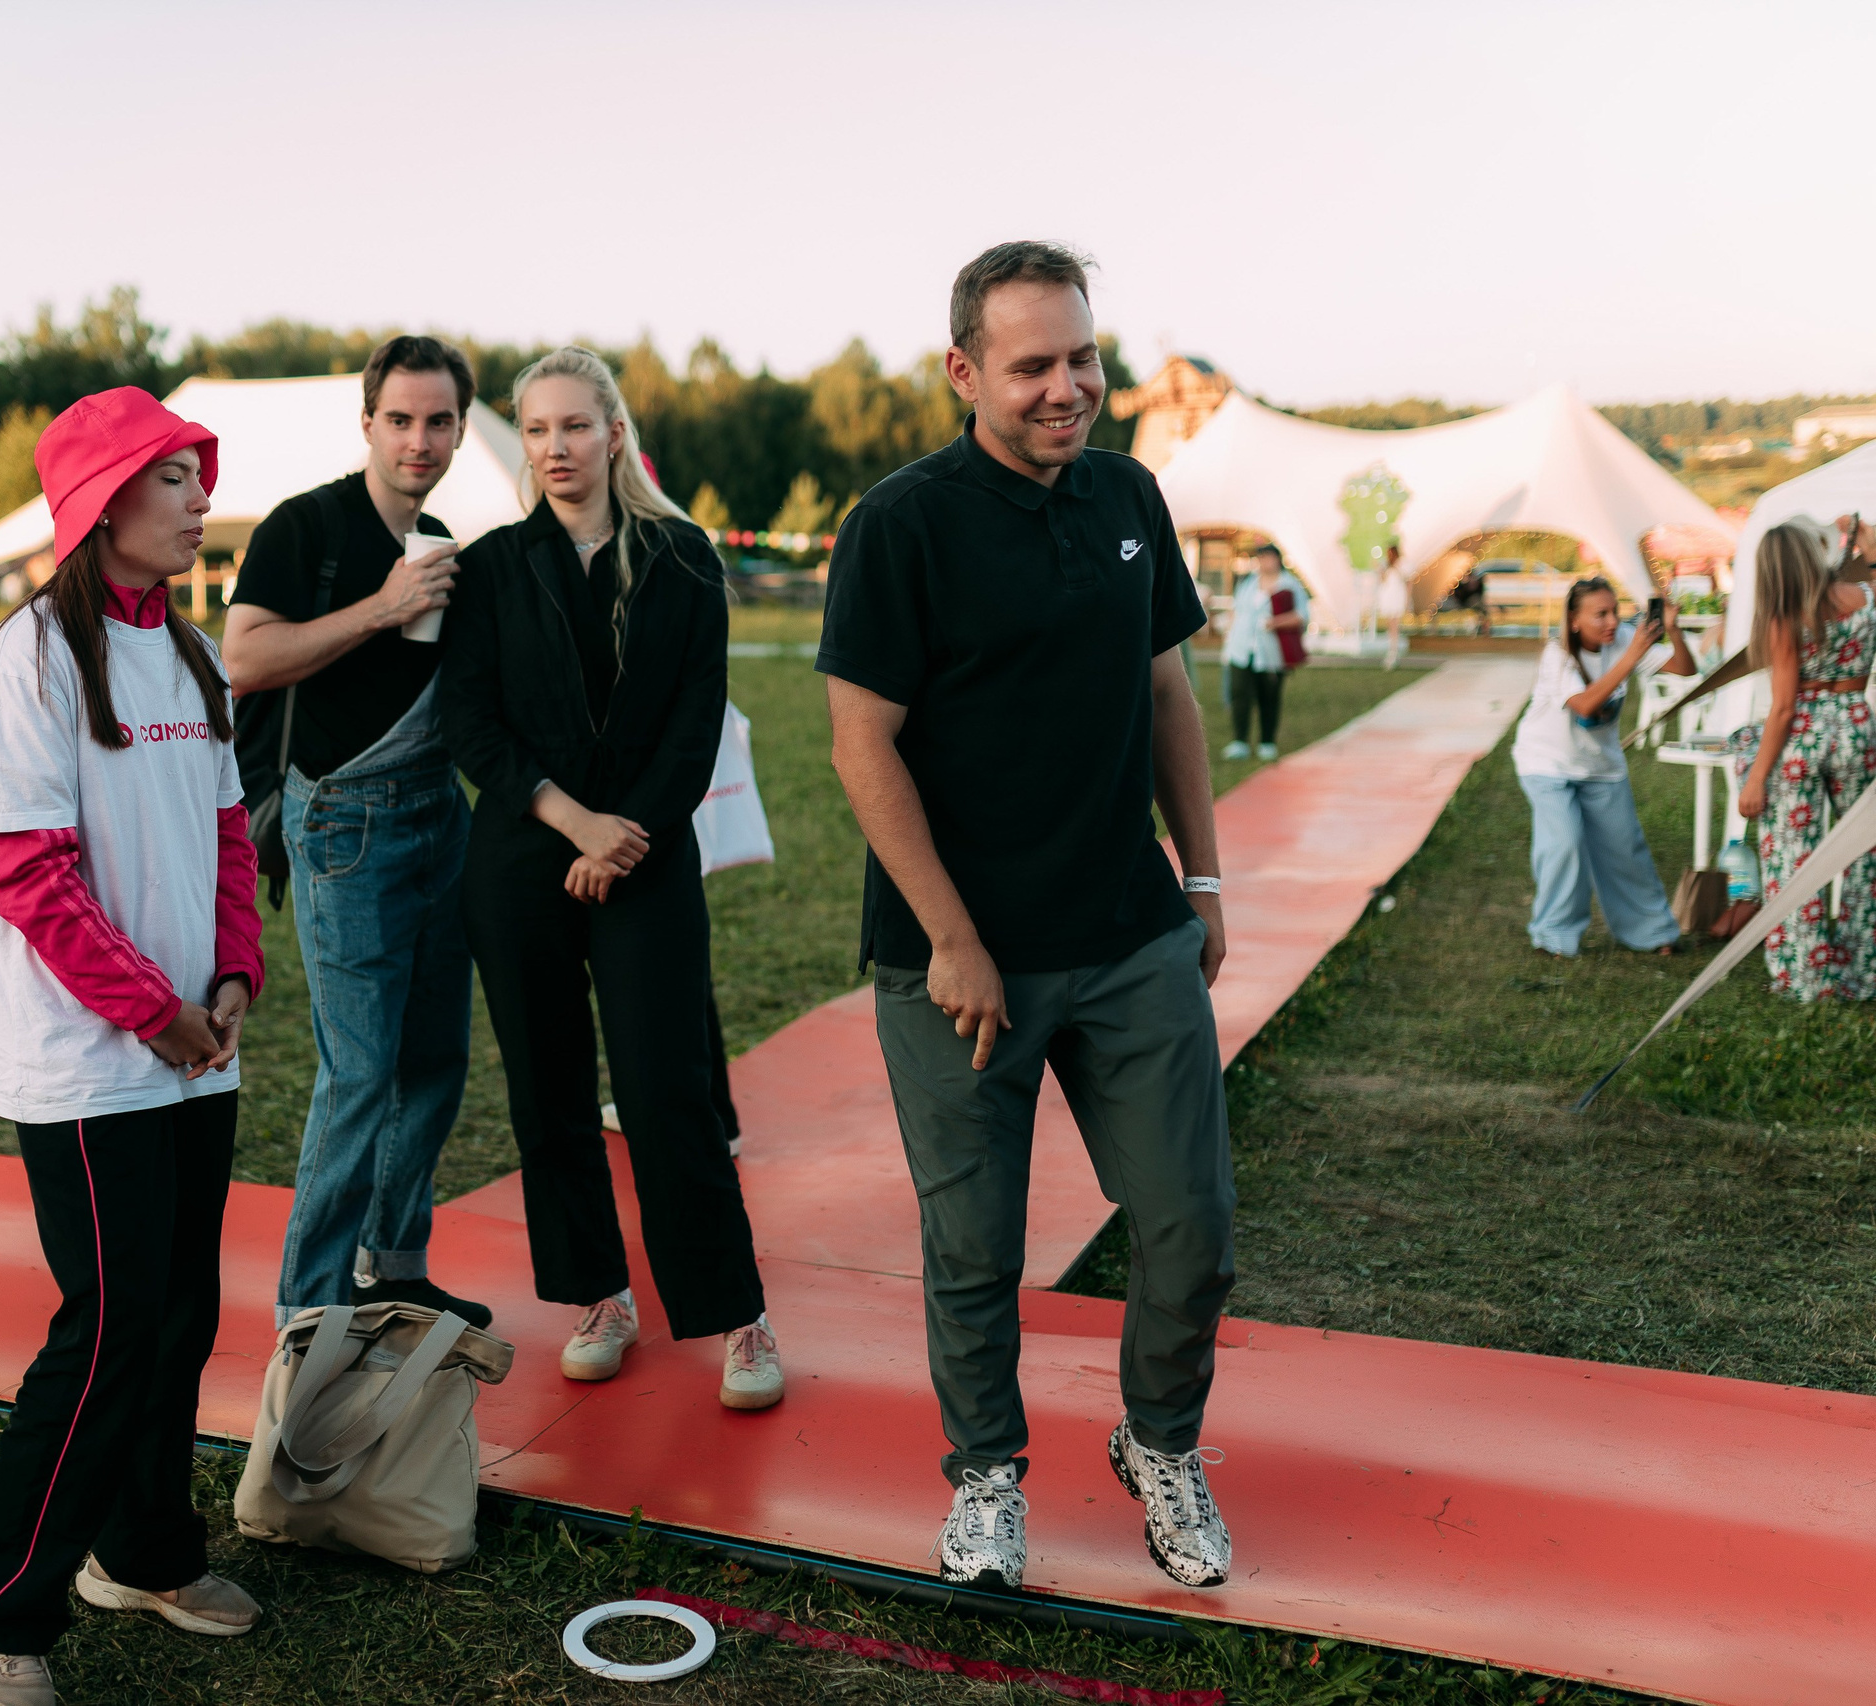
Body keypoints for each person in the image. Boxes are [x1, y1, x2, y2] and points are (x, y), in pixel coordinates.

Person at [821, 241, 1236, 1592]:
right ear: (963, 372)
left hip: (1126, 929)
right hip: (956, 959)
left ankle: (1159, 1440)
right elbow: (861, 744)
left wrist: (1203, 878)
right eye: (1032, 366)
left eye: (1083, 357)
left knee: (1191, 1224)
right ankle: (987, 1475)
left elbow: (1167, 693)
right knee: (975, 1248)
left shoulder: (1130, 496)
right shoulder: (902, 523)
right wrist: (952, 936)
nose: (1068, 388)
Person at [0, 387, 266, 1704]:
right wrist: (155, 1010)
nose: (200, 498)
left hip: (196, 1048)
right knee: (112, 1326)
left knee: (178, 1316)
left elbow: (232, 835)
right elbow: (33, 875)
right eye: (173, 477)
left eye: (197, 474)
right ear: (103, 501)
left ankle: (143, 1552)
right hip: (89, 1064)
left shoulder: (192, 657)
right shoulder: (21, 666)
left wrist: (232, 974)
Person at [439, 346, 783, 1411]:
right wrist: (572, 821)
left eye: (575, 426)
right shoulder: (494, 568)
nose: (556, 447)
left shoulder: (682, 556)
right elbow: (472, 724)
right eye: (538, 429)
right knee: (548, 1093)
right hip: (521, 860)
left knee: (666, 1089)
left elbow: (695, 721)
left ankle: (736, 1311)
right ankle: (600, 1295)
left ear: (614, 433)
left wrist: (624, 836)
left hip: (647, 856)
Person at [223, 336, 489, 1330]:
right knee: (361, 1073)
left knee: (436, 1062)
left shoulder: (440, 536)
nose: (420, 440)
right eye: (401, 419)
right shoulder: (306, 527)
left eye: (439, 421)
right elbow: (242, 660)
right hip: (343, 818)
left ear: (460, 429)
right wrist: (382, 608)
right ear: (368, 422)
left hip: (438, 813)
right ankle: (310, 1309)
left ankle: (395, 1266)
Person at [1512, 577, 1693, 959]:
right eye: (1601, 614)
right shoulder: (1558, 654)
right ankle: (1553, 935)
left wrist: (1673, 630)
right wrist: (1633, 655)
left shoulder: (1624, 638)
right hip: (1546, 762)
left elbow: (1684, 667)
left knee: (1625, 849)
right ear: (1574, 620)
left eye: (1615, 611)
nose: (1613, 621)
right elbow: (1584, 704)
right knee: (1564, 844)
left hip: (1601, 766)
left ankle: (1651, 932)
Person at [1736, 519, 1876, 1000]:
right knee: (1866, 853)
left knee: (1793, 856)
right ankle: (1864, 971)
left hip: (1803, 738)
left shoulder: (1784, 617)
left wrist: (1756, 778)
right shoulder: (1865, 598)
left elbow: (1782, 708)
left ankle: (1806, 975)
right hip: (1856, 725)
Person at [1218, 542, 1308, 760]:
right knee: (1240, 694)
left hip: (1271, 651)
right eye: (1261, 557)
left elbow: (1301, 616)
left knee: (1269, 696)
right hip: (1242, 648)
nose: (1265, 562)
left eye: (1268, 557)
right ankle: (1240, 740)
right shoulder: (1248, 583)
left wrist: (1275, 623)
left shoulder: (1289, 584)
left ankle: (1267, 741)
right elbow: (1237, 611)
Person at [1377, 542, 1410, 669]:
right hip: (1388, 595)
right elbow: (1383, 580)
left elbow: (1406, 579)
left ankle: (1394, 651)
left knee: (1395, 623)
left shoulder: (1401, 564)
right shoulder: (1386, 565)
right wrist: (1381, 570)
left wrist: (1407, 600)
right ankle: (1392, 649)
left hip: (1397, 595)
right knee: (1390, 623)